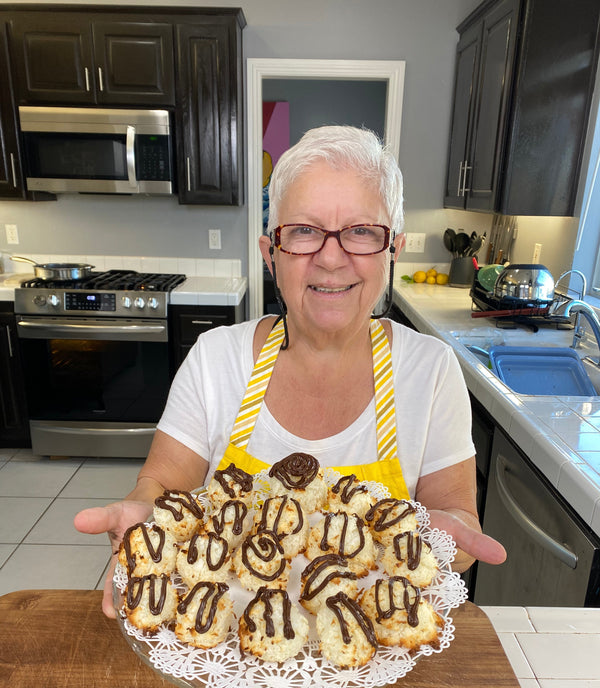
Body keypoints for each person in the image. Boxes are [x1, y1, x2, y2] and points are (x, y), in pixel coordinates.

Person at [75, 125, 506, 618]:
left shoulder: (429, 371)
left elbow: (456, 520)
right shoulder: (216, 359)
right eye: (303, 231)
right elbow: (160, 487)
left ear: (393, 250)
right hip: (226, 651)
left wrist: (446, 536)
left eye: (362, 231)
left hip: (376, 646)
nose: (330, 257)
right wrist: (144, 516)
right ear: (270, 254)